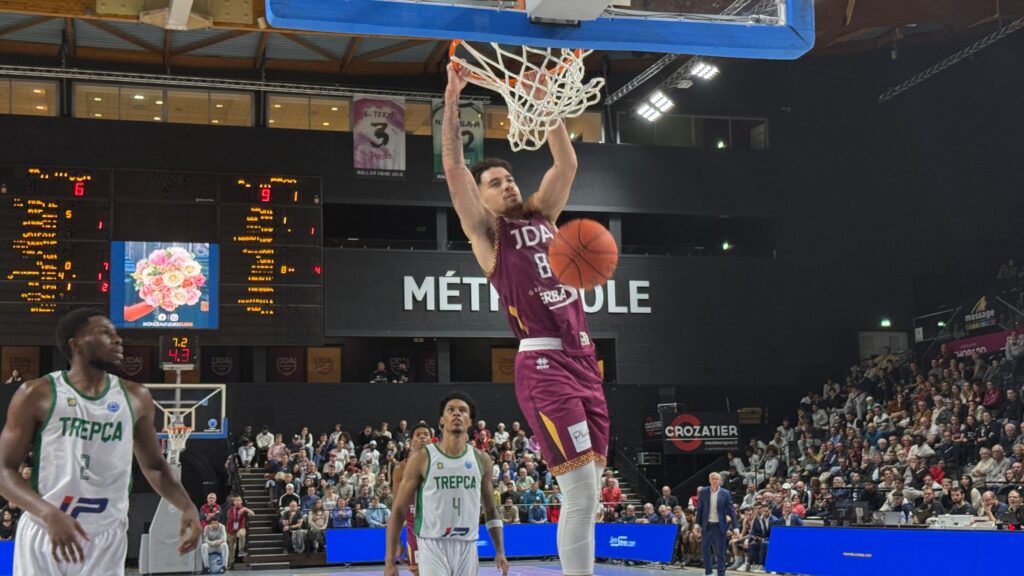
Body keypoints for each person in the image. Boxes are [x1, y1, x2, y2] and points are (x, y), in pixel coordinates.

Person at [443, 63, 609, 576]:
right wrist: (452, 97)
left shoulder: (543, 216)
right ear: (482, 197)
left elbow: (566, 162)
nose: (507, 185)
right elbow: (455, 168)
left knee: (592, 494)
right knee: (579, 493)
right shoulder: (487, 235)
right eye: (495, 183)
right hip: (543, 364)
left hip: (584, 361)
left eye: (509, 178)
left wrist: (545, 102)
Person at [0, 308, 201, 575]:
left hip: (107, 536)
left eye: (116, 333)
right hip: (46, 529)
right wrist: (47, 513)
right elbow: (4, 470)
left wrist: (187, 505)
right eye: (105, 333)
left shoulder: (136, 397)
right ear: (76, 344)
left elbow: (154, 466)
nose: (118, 340)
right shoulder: (37, 393)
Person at [385, 392, 509, 576]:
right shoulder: (422, 458)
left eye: (463, 410)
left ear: (470, 421)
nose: (457, 413)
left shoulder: (482, 459)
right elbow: (398, 510)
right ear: (441, 420)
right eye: (450, 410)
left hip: (467, 545)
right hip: (432, 544)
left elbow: (490, 509)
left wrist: (500, 551)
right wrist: (389, 560)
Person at [389, 421, 434, 576]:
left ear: (432, 439)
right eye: (418, 435)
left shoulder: (441, 465)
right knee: (419, 572)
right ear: (411, 441)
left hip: (438, 529)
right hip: (415, 530)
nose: (422, 438)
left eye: (426, 435)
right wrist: (396, 543)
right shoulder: (400, 468)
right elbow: (396, 508)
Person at [694, 472, 739, 576]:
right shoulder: (703, 492)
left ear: (720, 481)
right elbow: (700, 509)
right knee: (705, 550)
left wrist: (736, 527)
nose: (715, 481)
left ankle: (721, 574)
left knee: (720, 552)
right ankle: (708, 573)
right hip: (707, 526)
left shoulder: (725, 493)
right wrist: (697, 524)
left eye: (717, 479)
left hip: (719, 526)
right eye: (713, 479)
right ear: (709, 480)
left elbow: (731, 511)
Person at [225, 496, 253, 568]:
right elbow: (229, 519)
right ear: (234, 502)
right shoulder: (230, 510)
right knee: (231, 547)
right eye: (236, 500)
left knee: (241, 534)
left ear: (241, 501)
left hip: (240, 528)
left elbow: (252, 514)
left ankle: (241, 550)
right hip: (231, 529)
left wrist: (246, 509)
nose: (237, 502)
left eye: (239, 500)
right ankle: (231, 563)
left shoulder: (244, 509)